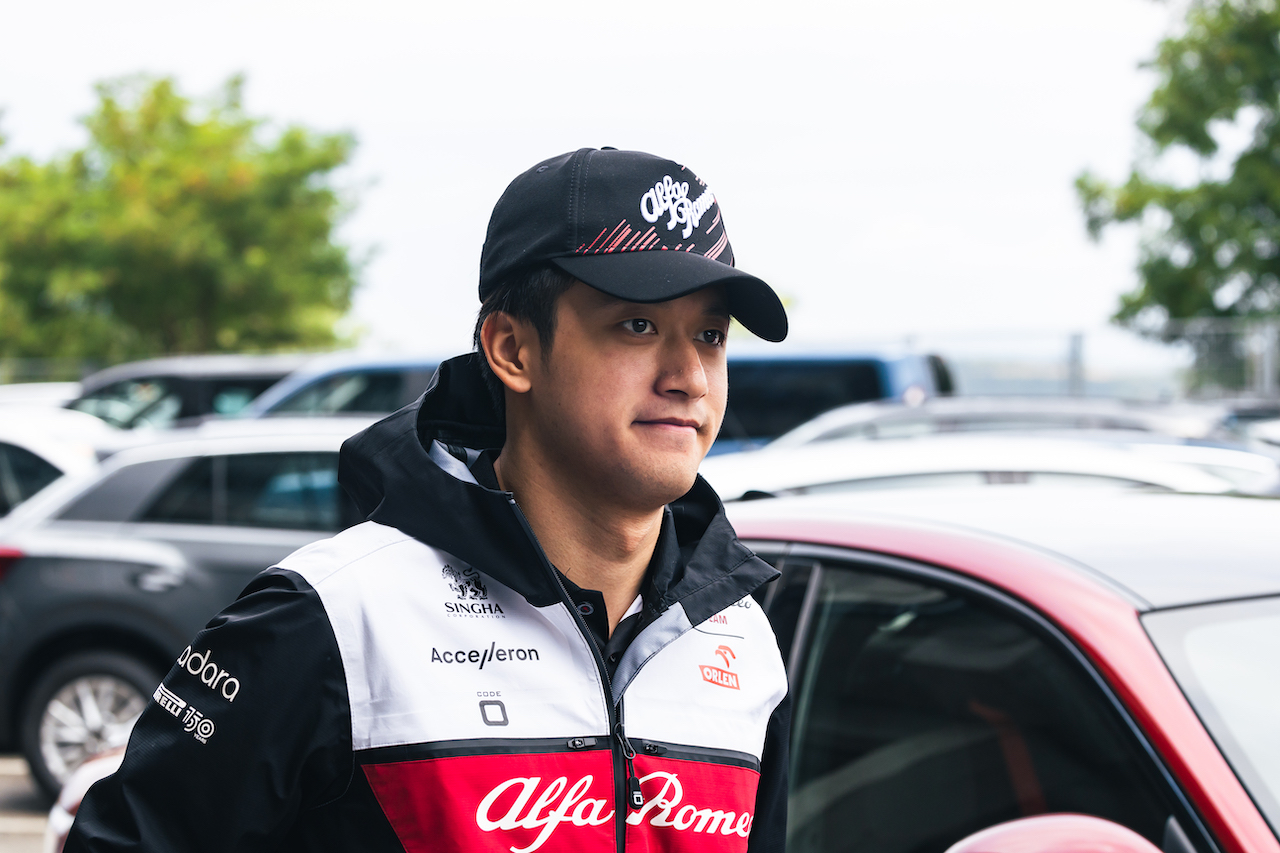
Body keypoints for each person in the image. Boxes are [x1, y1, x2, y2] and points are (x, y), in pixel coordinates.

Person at [65, 147, 791, 852]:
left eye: (710, 334)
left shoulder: (744, 642)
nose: (691, 376)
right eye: (637, 325)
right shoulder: (334, 617)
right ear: (511, 349)